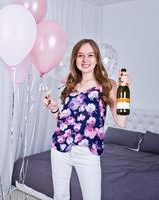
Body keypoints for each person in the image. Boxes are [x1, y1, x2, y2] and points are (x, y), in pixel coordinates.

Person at [42, 38, 129, 200]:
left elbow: (121, 122)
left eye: (90, 55)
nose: (85, 60)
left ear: (97, 59)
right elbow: (65, 122)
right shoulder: (71, 83)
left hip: (87, 152)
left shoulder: (108, 85)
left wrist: (124, 95)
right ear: (75, 59)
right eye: (80, 55)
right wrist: (54, 108)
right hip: (60, 148)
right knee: (60, 196)